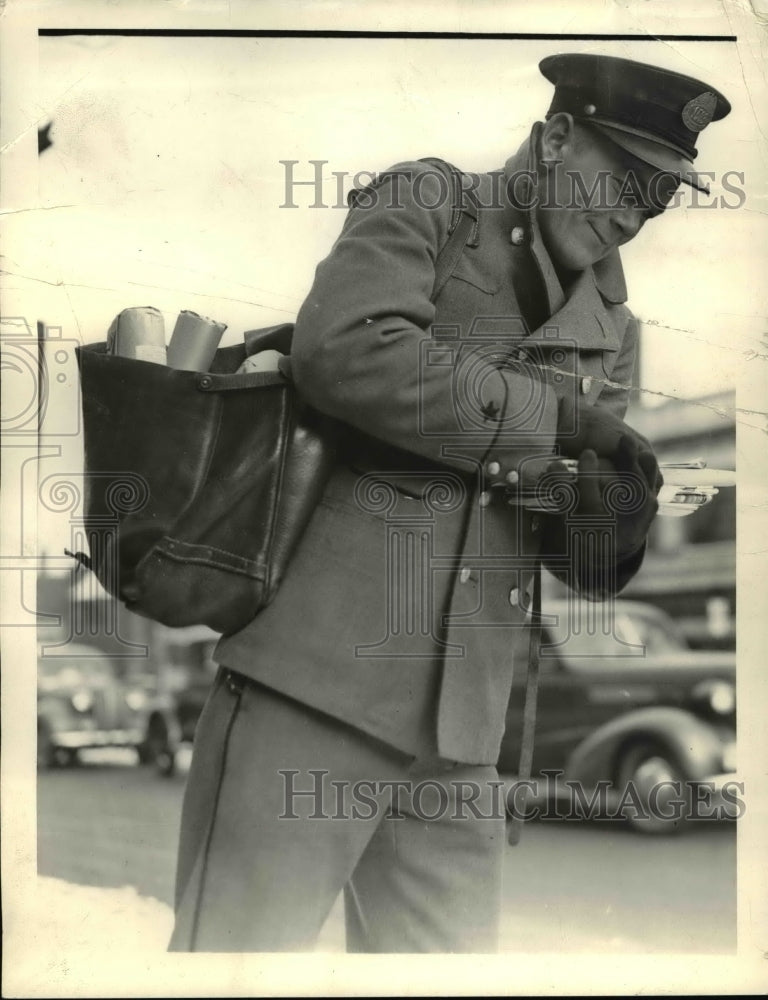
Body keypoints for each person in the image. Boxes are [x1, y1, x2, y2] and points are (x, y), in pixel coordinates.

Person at [168, 53, 731, 953]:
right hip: (314, 686)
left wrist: (604, 522)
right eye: (626, 178)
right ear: (553, 137)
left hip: (463, 736)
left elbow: (548, 512)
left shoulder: (611, 327)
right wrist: (556, 419)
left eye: (659, 199)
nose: (634, 214)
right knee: (237, 965)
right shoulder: (429, 202)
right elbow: (349, 350)